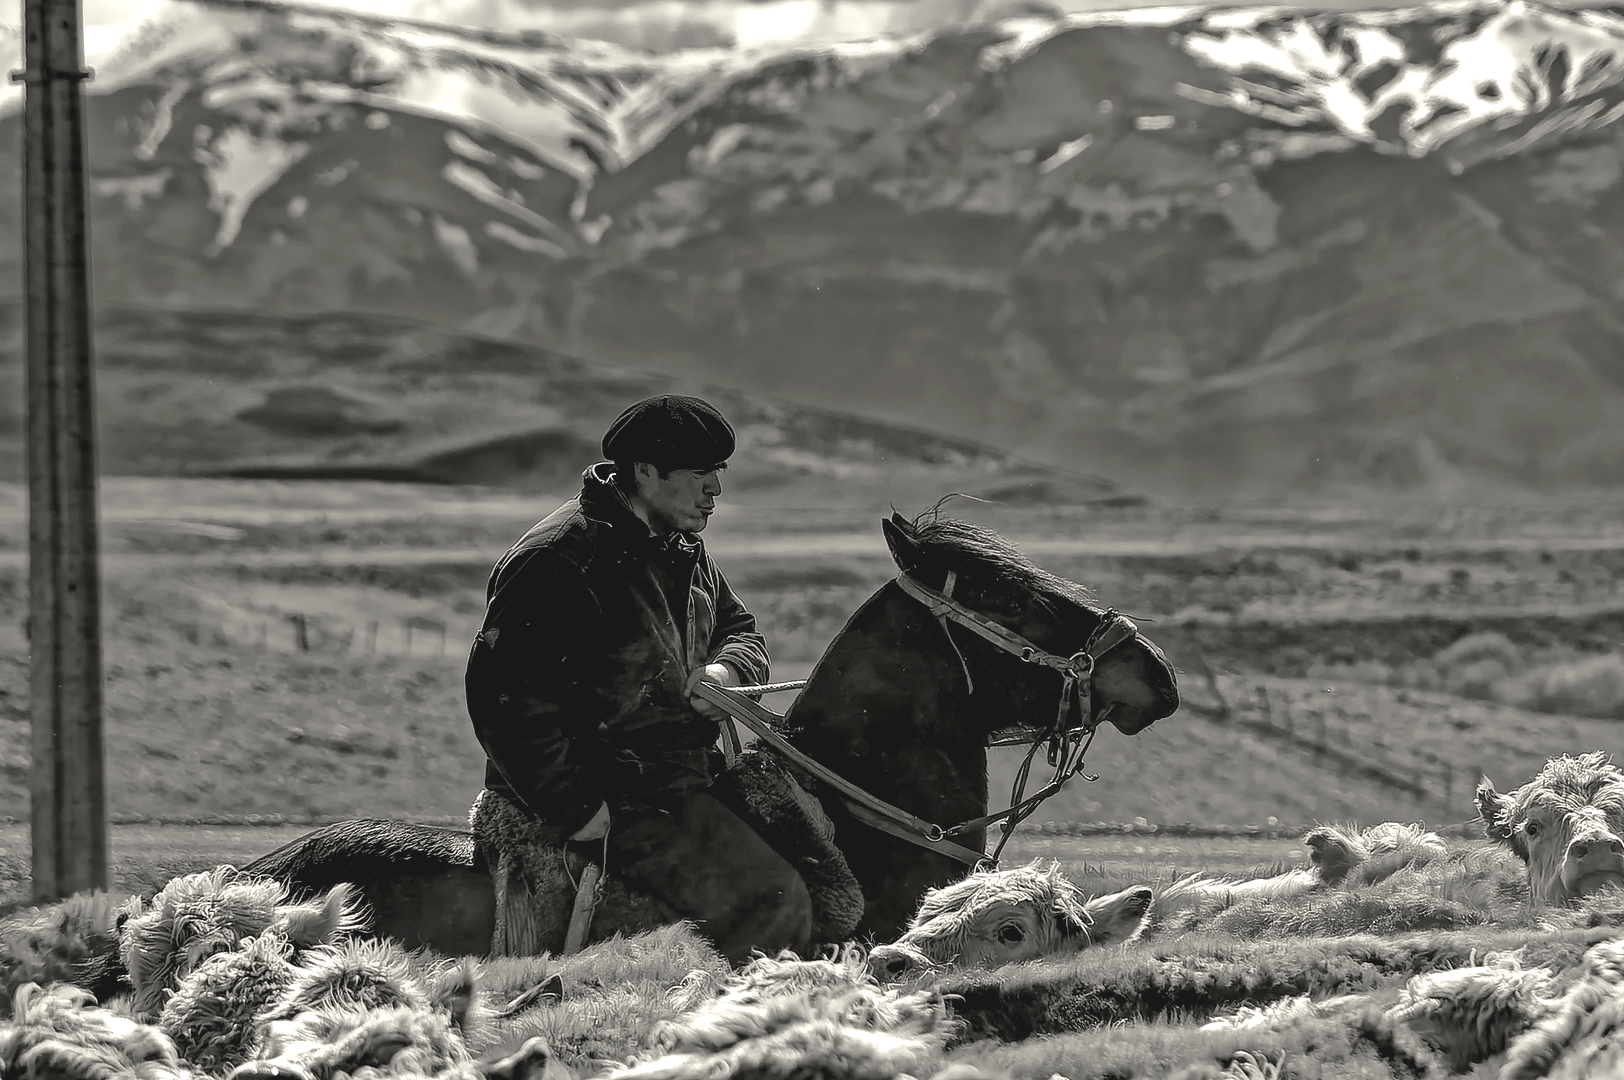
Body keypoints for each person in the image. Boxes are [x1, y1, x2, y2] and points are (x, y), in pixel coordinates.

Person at [465, 394, 814, 963]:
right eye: (700, 473)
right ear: (646, 471)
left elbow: (739, 627)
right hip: (619, 795)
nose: (715, 490)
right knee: (772, 901)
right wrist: (576, 808)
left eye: (718, 473)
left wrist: (726, 672)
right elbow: (504, 696)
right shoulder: (560, 559)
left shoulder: (681, 547)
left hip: (678, 780)